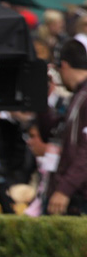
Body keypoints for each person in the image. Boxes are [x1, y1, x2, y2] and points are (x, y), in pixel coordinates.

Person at [43, 39, 87, 215]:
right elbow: (51, 130)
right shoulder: (78, 95)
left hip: (79, 195)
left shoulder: (84, 96)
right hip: (75, 192)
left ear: (64, 65)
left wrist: (64, 188)